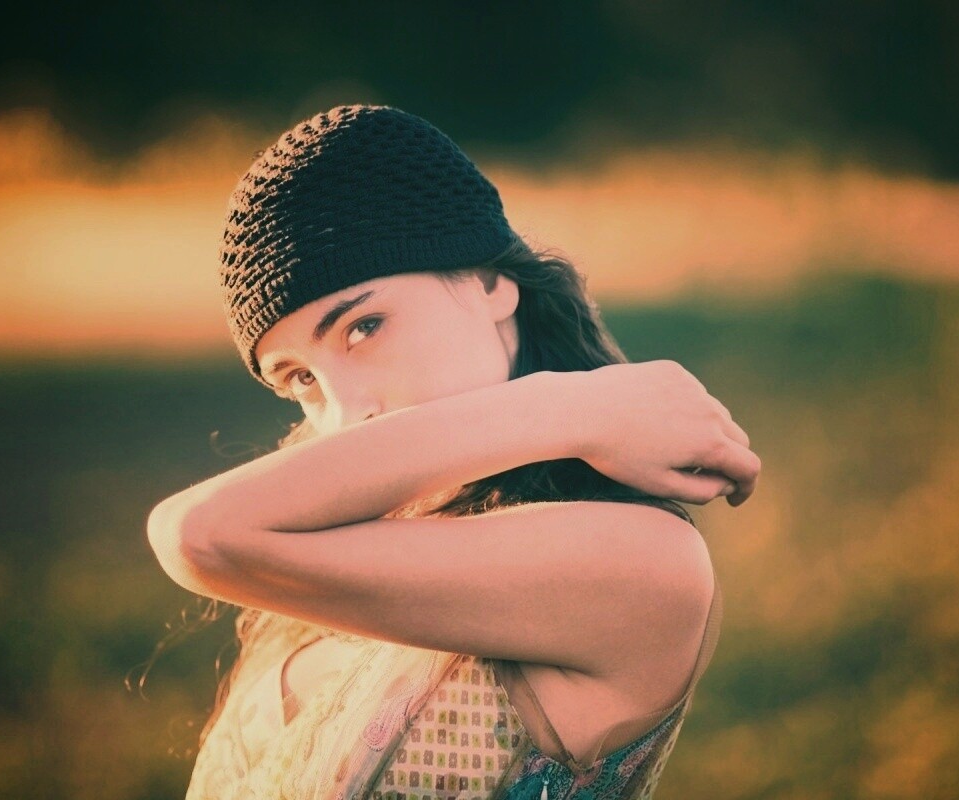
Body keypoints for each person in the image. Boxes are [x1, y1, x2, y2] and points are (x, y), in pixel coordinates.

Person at [147, 104, 760, 800]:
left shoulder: (642, 560)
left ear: (489, 281)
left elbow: (198, 534)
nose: (346, 414)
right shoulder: (333, 541)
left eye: (363, 327)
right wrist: (579, 409)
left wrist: (568, 407)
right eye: (301, 380)